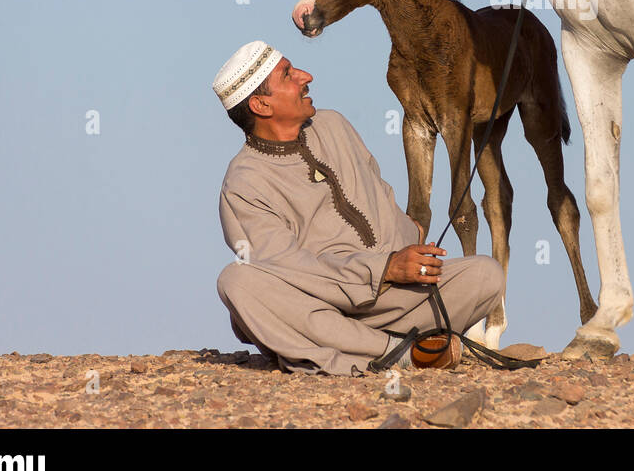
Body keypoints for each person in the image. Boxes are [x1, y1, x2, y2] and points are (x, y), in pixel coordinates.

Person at [211, 40, 505, 376]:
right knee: (236, 282)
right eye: (289, 75)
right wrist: (383, 269)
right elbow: (287, 269)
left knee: (487, 275)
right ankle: (399, 353)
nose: (306, 77)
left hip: (396, 300)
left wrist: (410, 240)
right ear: (261, 104)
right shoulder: (244, 182)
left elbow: (380, 193)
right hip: (322, 307)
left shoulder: (334, 125)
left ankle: (341, 347)